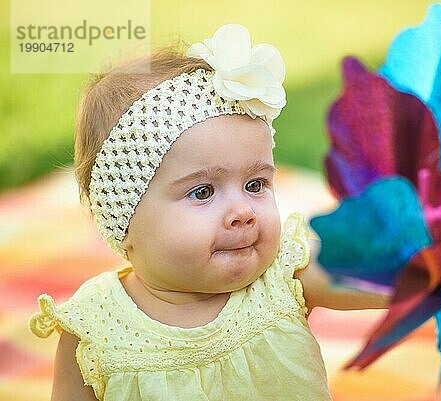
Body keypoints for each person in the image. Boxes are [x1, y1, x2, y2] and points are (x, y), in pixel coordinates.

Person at [29, 24, 389, 401]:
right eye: (202, 192)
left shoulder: (283, 276)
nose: (243, 211)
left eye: (256, 184)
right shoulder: (96, 331)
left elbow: (371, 277)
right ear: (124, 219)